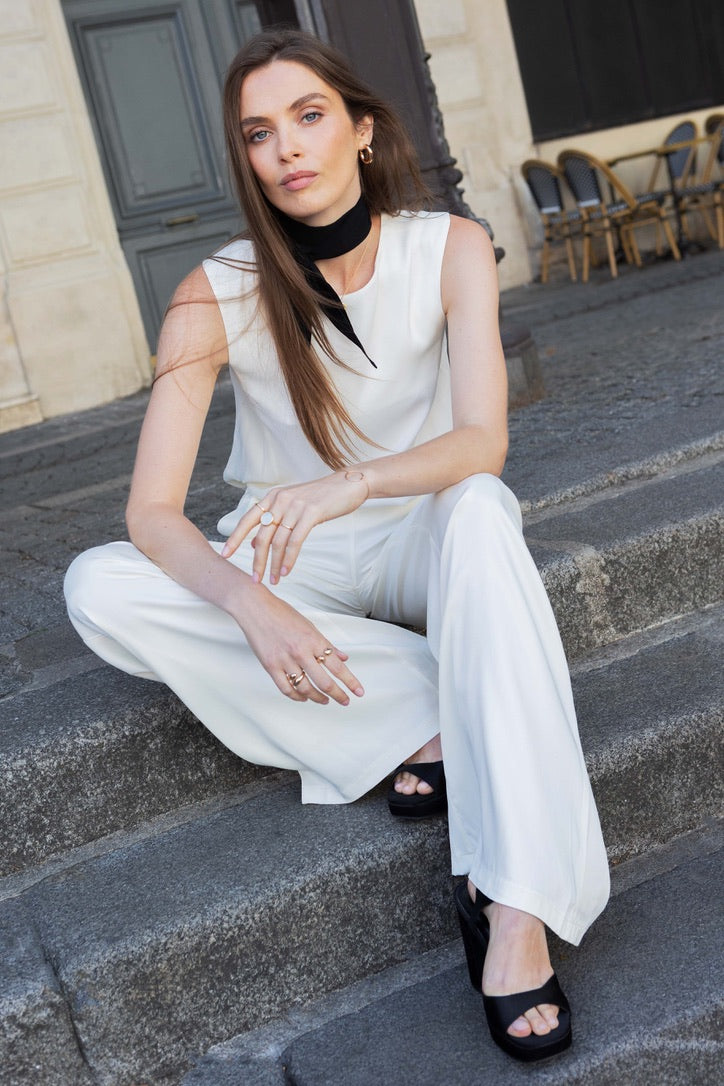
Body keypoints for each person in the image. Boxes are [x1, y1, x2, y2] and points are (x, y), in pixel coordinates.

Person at [64, 28, 609, 1062]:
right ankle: (422, 711)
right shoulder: (211, 291)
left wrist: (352, 481)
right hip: (289, 556)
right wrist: (250, 605)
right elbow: (151, 513)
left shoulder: (448, 246)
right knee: (98, 586)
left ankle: (517, 905)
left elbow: (481, 441)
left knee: (482, 506)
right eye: (258, 132)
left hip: (417, 531)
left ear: (361, 129)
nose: (286, 148)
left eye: (308, 116)